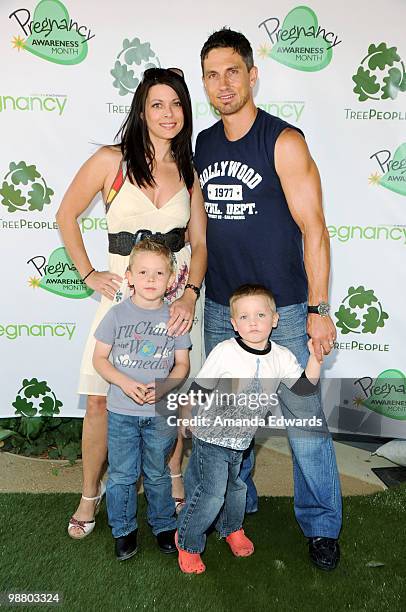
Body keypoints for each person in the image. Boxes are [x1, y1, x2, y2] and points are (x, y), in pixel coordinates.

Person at [194, 28, 341, 570]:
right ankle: (238, 509)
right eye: (212, 74)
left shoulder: (283, 140)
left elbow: (315, 229)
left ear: (253, 75)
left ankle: (322, 526)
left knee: (304, 427)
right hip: (220, 311)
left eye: (233, 70)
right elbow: (200, 229)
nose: (223, 83)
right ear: (205, 83)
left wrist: (319, 309)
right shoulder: (204, 145)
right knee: (230, 423)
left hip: (284, 311)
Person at [56, 67, 207, 539]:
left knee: (171, 397)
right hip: (121, 300)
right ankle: (89, 494)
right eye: (158, 104)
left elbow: (199, 244)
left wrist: (189, 293)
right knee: (101, 400)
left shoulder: (189, 169)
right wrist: (88, 273)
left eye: (177, 104)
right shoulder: (111, 160)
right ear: (142, 109)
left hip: (175, 301)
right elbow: (65, 214)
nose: (168, 113)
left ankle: (174, 479)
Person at [175, 284, 327, 574]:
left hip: (241, 442)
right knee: (211, 493)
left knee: (236, 489)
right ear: (234, 324)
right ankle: (188, 541)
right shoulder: (225, 351)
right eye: (244, 317)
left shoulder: (281, 356)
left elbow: (305, 389)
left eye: (260, 314)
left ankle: (232, 528)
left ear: (275, 319)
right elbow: (200, 386)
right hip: (211, 436)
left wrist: (315, 360)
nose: (253, 322)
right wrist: (185, 414)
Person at [92, 240, 190, 559]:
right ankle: (123, 529)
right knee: (122, 473)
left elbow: (182, 365)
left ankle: (163, 524)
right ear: (130, 276)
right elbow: (100, 360)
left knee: (157, 471)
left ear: (171, 278)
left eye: (159, 272)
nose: (151, 279)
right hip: (121, 411)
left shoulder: (175, 318)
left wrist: (163, 387)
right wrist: (124, 381)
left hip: (160, 413)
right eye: (144, 272)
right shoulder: (117, 315)